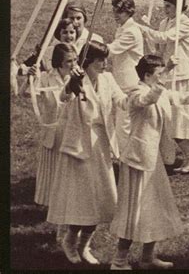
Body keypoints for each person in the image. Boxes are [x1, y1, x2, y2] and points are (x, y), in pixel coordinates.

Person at [110, 54, 189, 270]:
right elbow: (148, 100)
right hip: (137, 159)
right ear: (147, 75)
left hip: (153, 160)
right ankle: (119, 261)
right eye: (158, 73)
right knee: (133, 211)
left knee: (153, 208)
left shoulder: (158, 91)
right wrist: (168, 71)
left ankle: (147, 258)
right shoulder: (137, 92)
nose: (162, 77)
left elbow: (184, 98)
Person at [47, 41, 129, 265]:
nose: (105, 64)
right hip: (79, 146)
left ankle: (84, 246)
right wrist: (72, 83)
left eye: (105, 59)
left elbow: (121, 100)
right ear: (89, 62)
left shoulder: (108, 79)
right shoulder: (76, 78)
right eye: (100, 60)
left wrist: (139, 99)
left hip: (101, 145)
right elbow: (64, 98)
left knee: (103, 199)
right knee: (83, 200)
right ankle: (70, 242)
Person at [140, 0, 189, 174]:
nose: (165, 9)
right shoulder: (163, 22)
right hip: (168, 73)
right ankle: (171, 156)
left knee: (181, 118)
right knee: (168, 117)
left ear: (178, 7)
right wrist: (148, 35)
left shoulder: (184, 22)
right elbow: (158, 48)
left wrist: (144, 29)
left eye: (169, 6)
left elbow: (166, 37)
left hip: (182, 73)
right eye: (165, 5)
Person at [29, 44, 78, 210]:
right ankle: (50, 205)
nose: (73, 64)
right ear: (58, 62)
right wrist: (30, 77)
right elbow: (26, 94)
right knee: (51, 170)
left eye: (75, 60)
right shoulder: (45, 77)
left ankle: (67, 204)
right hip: (52, 132)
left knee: (68, 171)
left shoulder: (77, 78)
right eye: (69, 61)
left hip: (71, 131)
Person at [108, 0, 144, 152]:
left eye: (120, 12)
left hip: (129, 81)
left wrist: (88, 45)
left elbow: (112, 49)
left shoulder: (131, 32)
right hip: (122, 79)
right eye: (114, 11)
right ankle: (123, 153)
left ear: (129, 11)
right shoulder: (123, 27)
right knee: (122, 121)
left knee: (124, 123)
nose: (116, 15)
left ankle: (125, 156)